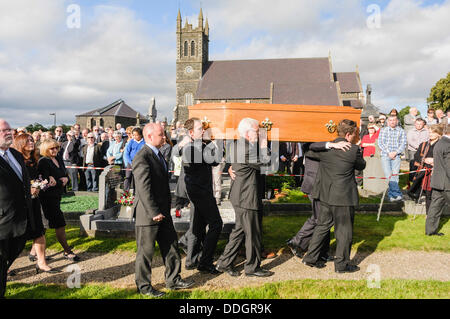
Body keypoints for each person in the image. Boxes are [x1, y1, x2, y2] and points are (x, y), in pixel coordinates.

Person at [132, 123, 193, 298]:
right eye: (161, 134)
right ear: (150, 136)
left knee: (171, 245)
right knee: (145, 252)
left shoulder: (157, 153)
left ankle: (173, 279)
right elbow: (144, 188)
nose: (164, 137)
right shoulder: (142, 156)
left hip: (163, 211)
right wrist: (154, 212)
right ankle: (144, 287)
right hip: (149, 213)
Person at [302, 119, 366, 273]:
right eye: (355, 134)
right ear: (349, 135)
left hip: (325, 195)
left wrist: (328, 145)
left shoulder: (325, 149)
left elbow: (307, 148)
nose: (356, 137)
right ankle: (341, 265)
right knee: (344, 232)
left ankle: (310, 258)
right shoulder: (353, 150)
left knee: (322, 226)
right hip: (343, 197)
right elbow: (361, 165)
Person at [215, 118, 274, 278]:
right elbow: (269, 164)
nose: (259, 133)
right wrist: (264, 145)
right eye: (256, 131)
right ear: (248, 133)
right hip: (247, 196)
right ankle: (252, 268)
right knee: (253, 233)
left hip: (239, 194)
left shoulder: (234, 145)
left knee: (239, 231)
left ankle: (224, 262)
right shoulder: (249, 149)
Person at [286, 140, 351, 259]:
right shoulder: (311, 143)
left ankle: (322, 252)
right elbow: (309, 146)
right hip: (315, 184)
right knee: (320, 217)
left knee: (323, 218)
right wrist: (331, 144)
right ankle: (297, 242)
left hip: (324, 184)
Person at [179, 118, 223, 274]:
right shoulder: (190, 148)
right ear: (191, 132)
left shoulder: (198, 145)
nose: (203, 131)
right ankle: (205, 261)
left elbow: (216, 161)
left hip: (203, 190)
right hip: (200, 192)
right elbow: (211, 160)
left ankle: (190, 256)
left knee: (198, 226)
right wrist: (207, 143)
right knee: (217, 224)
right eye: (200, 129)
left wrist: (208, 142)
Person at [12, 134, 60, 273]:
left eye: (32, 140)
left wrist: (48, 178)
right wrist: (27, 190)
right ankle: (6, 266)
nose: (31, 142)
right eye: (27, 141)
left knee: (39, 231)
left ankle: (42, 262)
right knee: (14, 237)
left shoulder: (35, 160)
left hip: (34, 201)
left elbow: (39, 176)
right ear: (20, 143)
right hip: (19, 203)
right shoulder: (15, 160)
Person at [0, 119, 34, 298]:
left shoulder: (15, 154)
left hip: (21, 217)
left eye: (9, 129)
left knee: (14, 251)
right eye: (3, 130)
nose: (9, 132)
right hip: (2, 219)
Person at [38, 139, 80, 261]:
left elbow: (63, 173)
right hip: (47, 198)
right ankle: (67, 250)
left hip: (56, 196)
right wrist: (60, 181)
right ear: (45, 149)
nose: (55, 150)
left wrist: (65, 179)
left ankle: (34, 253)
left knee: (45, 226)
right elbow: (45, 183)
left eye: (56, 147)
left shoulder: (58, 158)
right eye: (52, 148)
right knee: (58, 223)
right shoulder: (43, 162)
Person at [408, 124, 443, 212]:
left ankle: (432, 213)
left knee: (433, 193)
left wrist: (434, 160)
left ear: (438, 134)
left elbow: (445, 157)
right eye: (430, 132)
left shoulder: (442, 145)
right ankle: (428, 213)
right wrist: (424, 160)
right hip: (425, 171)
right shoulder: (424, 144)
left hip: (437, 172)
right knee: (426, 192)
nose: (430, 134)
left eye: (433, 133)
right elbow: (416, 156)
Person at [425, 123, 449, 236]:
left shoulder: (439, 143)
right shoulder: (448, 145)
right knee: (435, 207)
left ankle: (430, 231)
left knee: (435, 207)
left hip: (437, 181)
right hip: (446, 183)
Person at [378, 115, 407, 202]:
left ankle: (391, 195)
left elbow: (403, 143)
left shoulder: (401, 131)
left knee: (395, 175)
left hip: (397, 156)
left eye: (394, 120)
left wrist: (395, 152)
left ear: (397, 121)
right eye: (390, 120)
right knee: (388, 175)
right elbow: (380, 143)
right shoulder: (383, 130)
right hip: (385, 155)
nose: (392, 122)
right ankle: (397, 194)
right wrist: (389, 152)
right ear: (387, 122)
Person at [407, 118, 429, 185]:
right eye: (417, 124)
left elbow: (427, 140)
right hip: (413, 150)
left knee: (421, 166)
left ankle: (419, 182)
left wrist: (422, 149)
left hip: (423, 152)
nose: (419, 125)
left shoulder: (426, 132)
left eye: (420, 124)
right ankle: (411, 182)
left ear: (423, 124)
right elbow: (410, 141)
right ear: (415, 124)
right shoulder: (411, 131)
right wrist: (418, 147)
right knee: (413, 166)